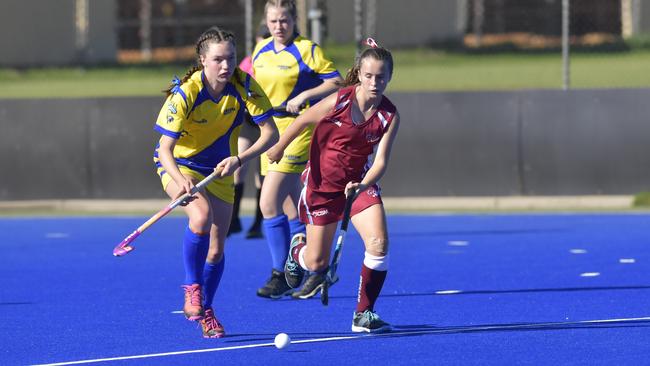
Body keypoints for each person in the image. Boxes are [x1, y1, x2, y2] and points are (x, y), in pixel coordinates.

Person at [266, 38, 399, 333]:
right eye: (368, 76)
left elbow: (380, 162)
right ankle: (297, 249)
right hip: (322, 186)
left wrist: (363, 185)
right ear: (359, 75)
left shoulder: (389, 116)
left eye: (381, 77)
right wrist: (279, 148)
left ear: (389, 78)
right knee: (316, 262)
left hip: (359, 187)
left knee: (379, 244)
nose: (374, 83)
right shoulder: (340, 100)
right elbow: (302, 121)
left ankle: (363, 314)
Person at [153, 26, 278, 338]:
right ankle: (191, 287)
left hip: (221, 168)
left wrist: (239, 160)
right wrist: (181, 181)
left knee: (216, 250)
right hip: (179, 166)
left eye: (231, 58)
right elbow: (165, 149)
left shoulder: (245, 86)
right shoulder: (185, 93)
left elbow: (270, 134)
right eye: (218, 59)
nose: (226, 66)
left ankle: (207, 310)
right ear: (202, 60)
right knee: (201, 217)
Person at [252, 0, 343, 299]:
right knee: (292, 205)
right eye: (274, 21)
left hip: (298, 131)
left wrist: (306, 93)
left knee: (268, 202)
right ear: (266, 21)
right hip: (270, 131)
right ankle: (310, 268)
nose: (279, 27)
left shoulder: (308, 49)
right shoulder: (260, 50)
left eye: (285, 21)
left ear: (294, 20)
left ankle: (280, 274)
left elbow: (336, 81)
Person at [228, 23, 272, 239]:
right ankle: (233, 219)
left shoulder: (277, 61)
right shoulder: (249, 61)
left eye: (268, 37)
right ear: (255, 39)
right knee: (239, 166)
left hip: (267, 122)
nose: (264, 41)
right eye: (261, 37)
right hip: (248, 120)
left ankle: (257, 222)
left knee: (262, 176)